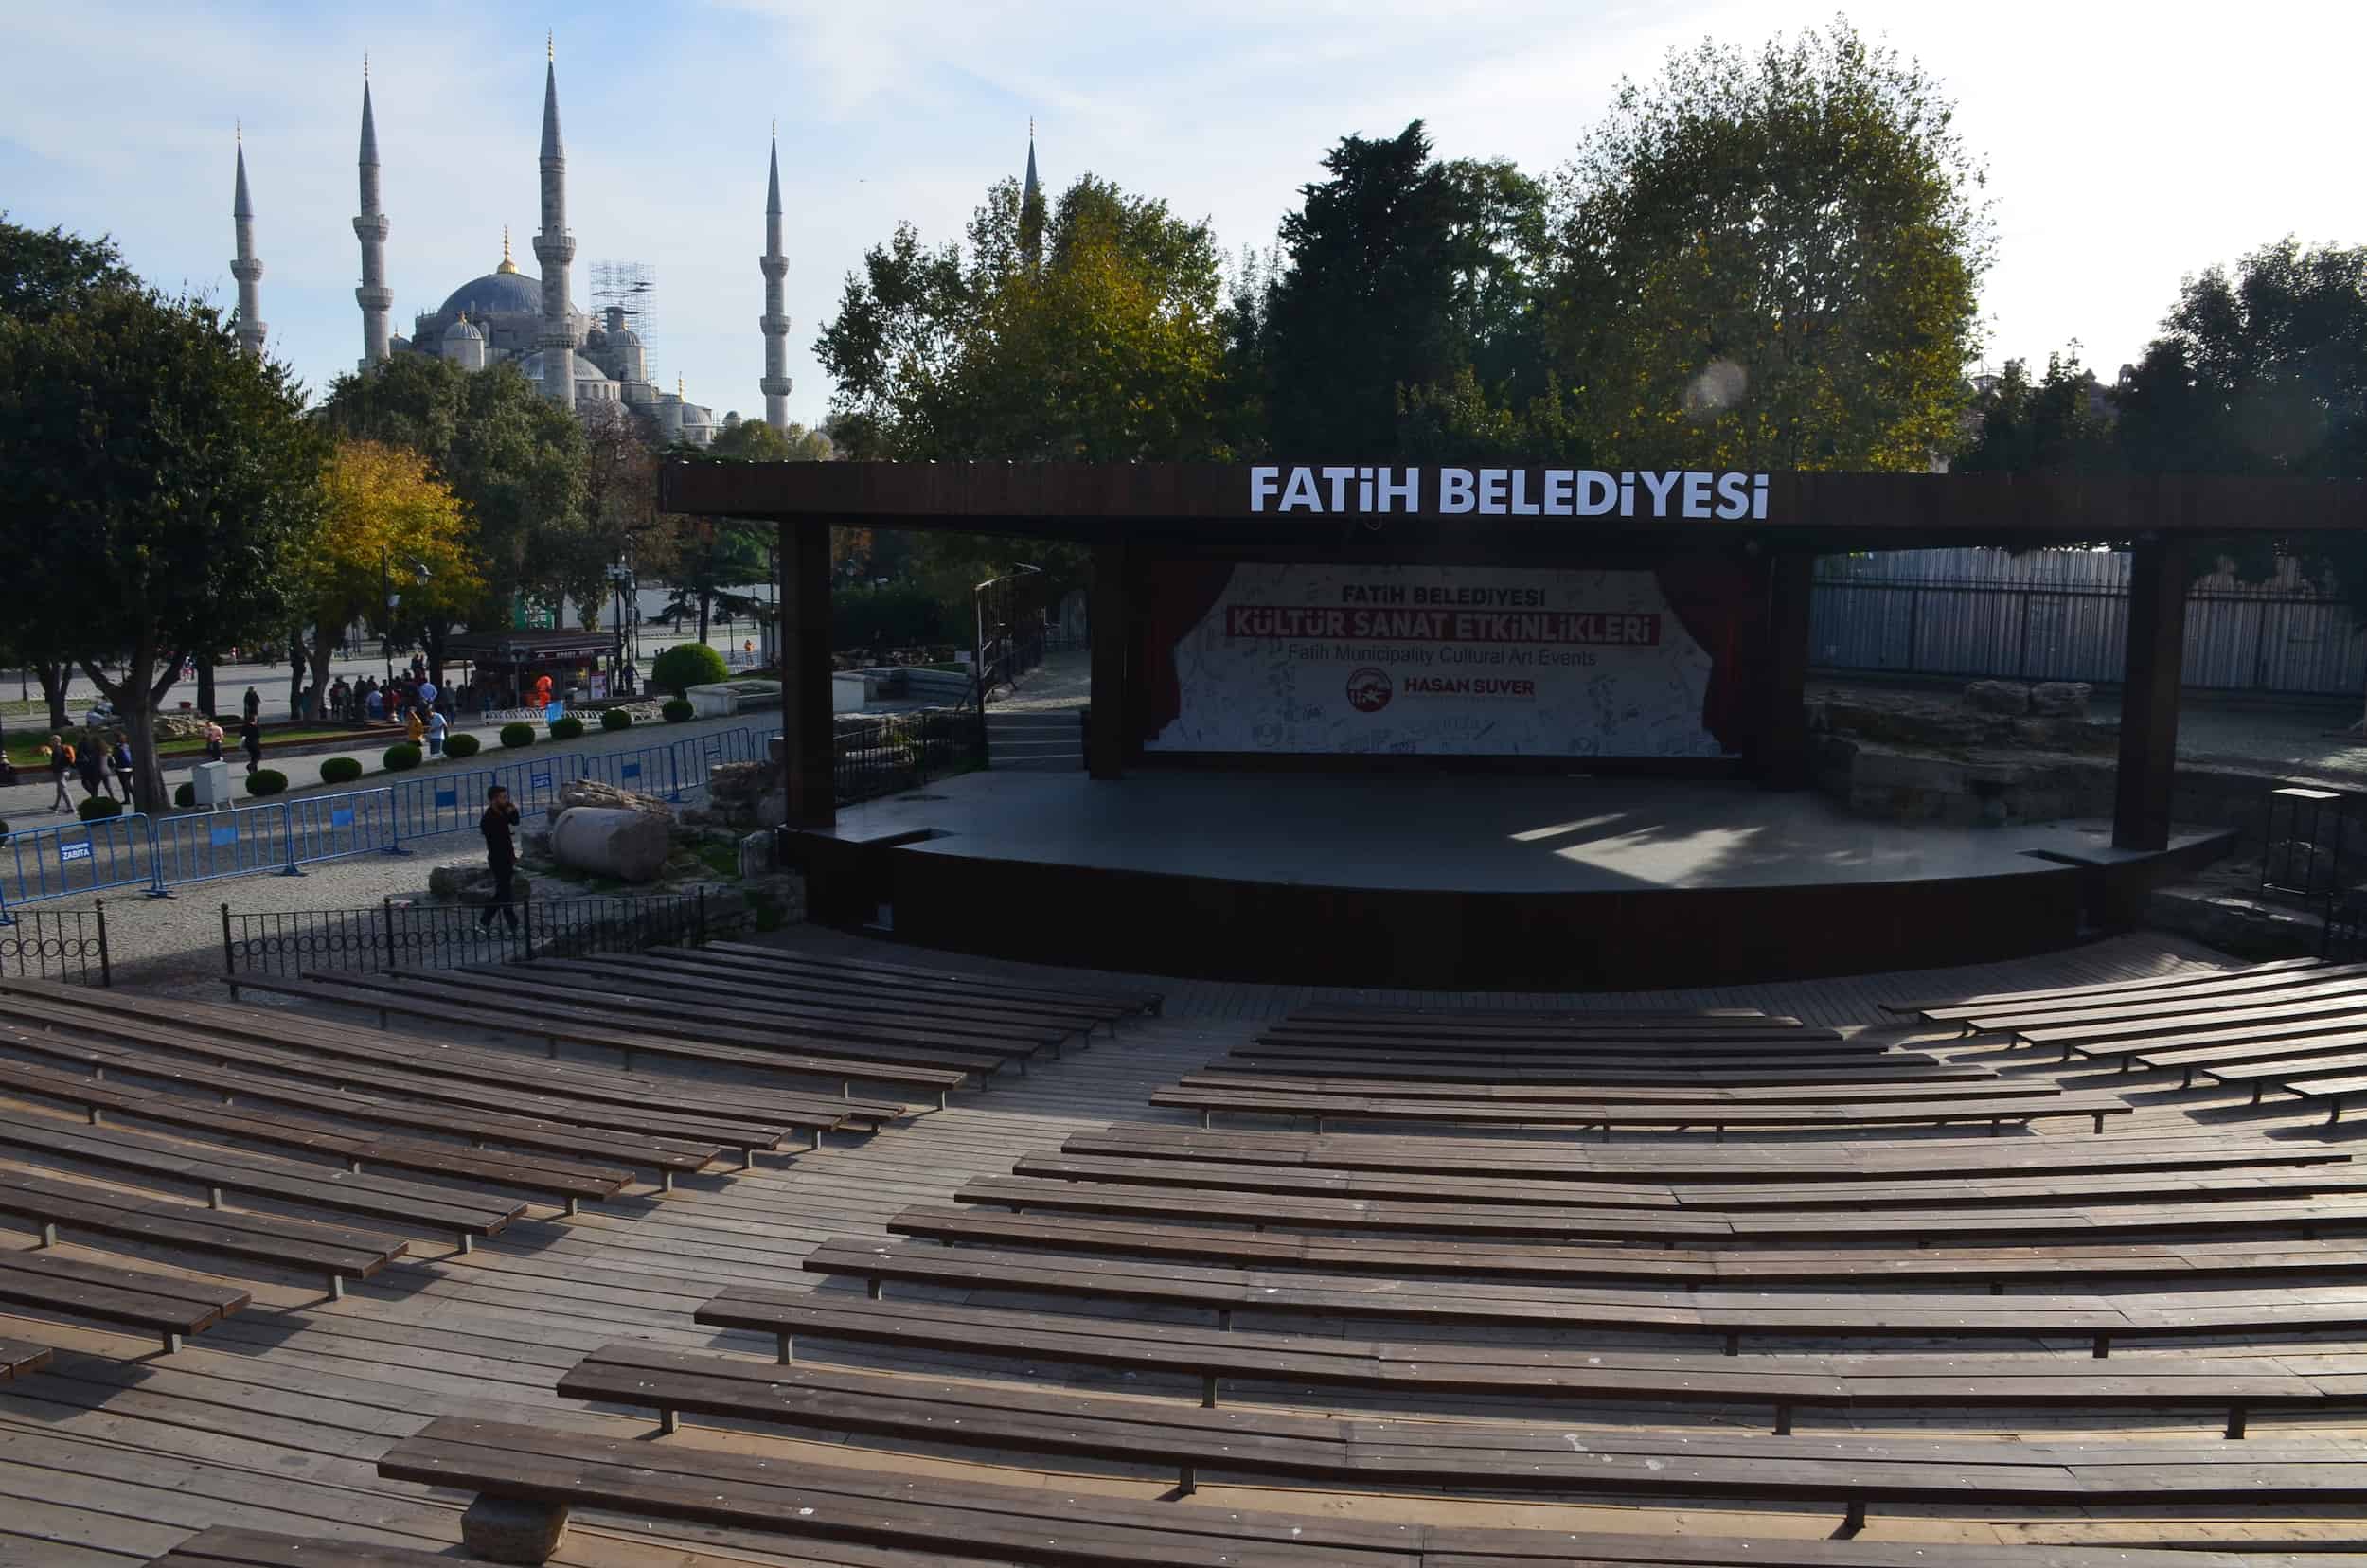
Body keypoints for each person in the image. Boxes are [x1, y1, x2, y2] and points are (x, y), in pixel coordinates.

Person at [477, 784, 523, 932]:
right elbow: (497, 841)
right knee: (505, 894)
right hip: (498, 859)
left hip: (507, 858)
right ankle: (513, 925)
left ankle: (484, 922)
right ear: (494, 800)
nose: (506, 800)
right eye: (503, 798)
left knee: (502, 893)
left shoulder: (504, 810)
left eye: (505, 797)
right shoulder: (488, 819)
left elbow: (515, 822)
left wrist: (513, 810)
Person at [76, 735, 110, 800]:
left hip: (95, 771)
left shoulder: (92, 749)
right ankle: (111, 798)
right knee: (107, 786)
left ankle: (95, 798)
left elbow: (92, 761)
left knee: (92, 785)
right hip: (105, 770)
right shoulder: (103, 749)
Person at [45, 736, 73, 813]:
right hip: (67, 771)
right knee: (60, 790)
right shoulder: (63, 748)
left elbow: (56, 763)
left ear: (56, 741)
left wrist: (51, 767)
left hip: (60, 773)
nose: (50, 742)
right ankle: (55, 806)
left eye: (51, 741)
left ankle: (71, 808)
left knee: (64, 791)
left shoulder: (56, 750)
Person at [109, 733, 133, 799]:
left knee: (125, 784)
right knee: (127, 783)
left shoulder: (117, 747)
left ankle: (133, 796)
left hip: (121, 768)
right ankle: (128, 798)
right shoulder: (127, 746)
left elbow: (115, 757)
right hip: (130, 766)